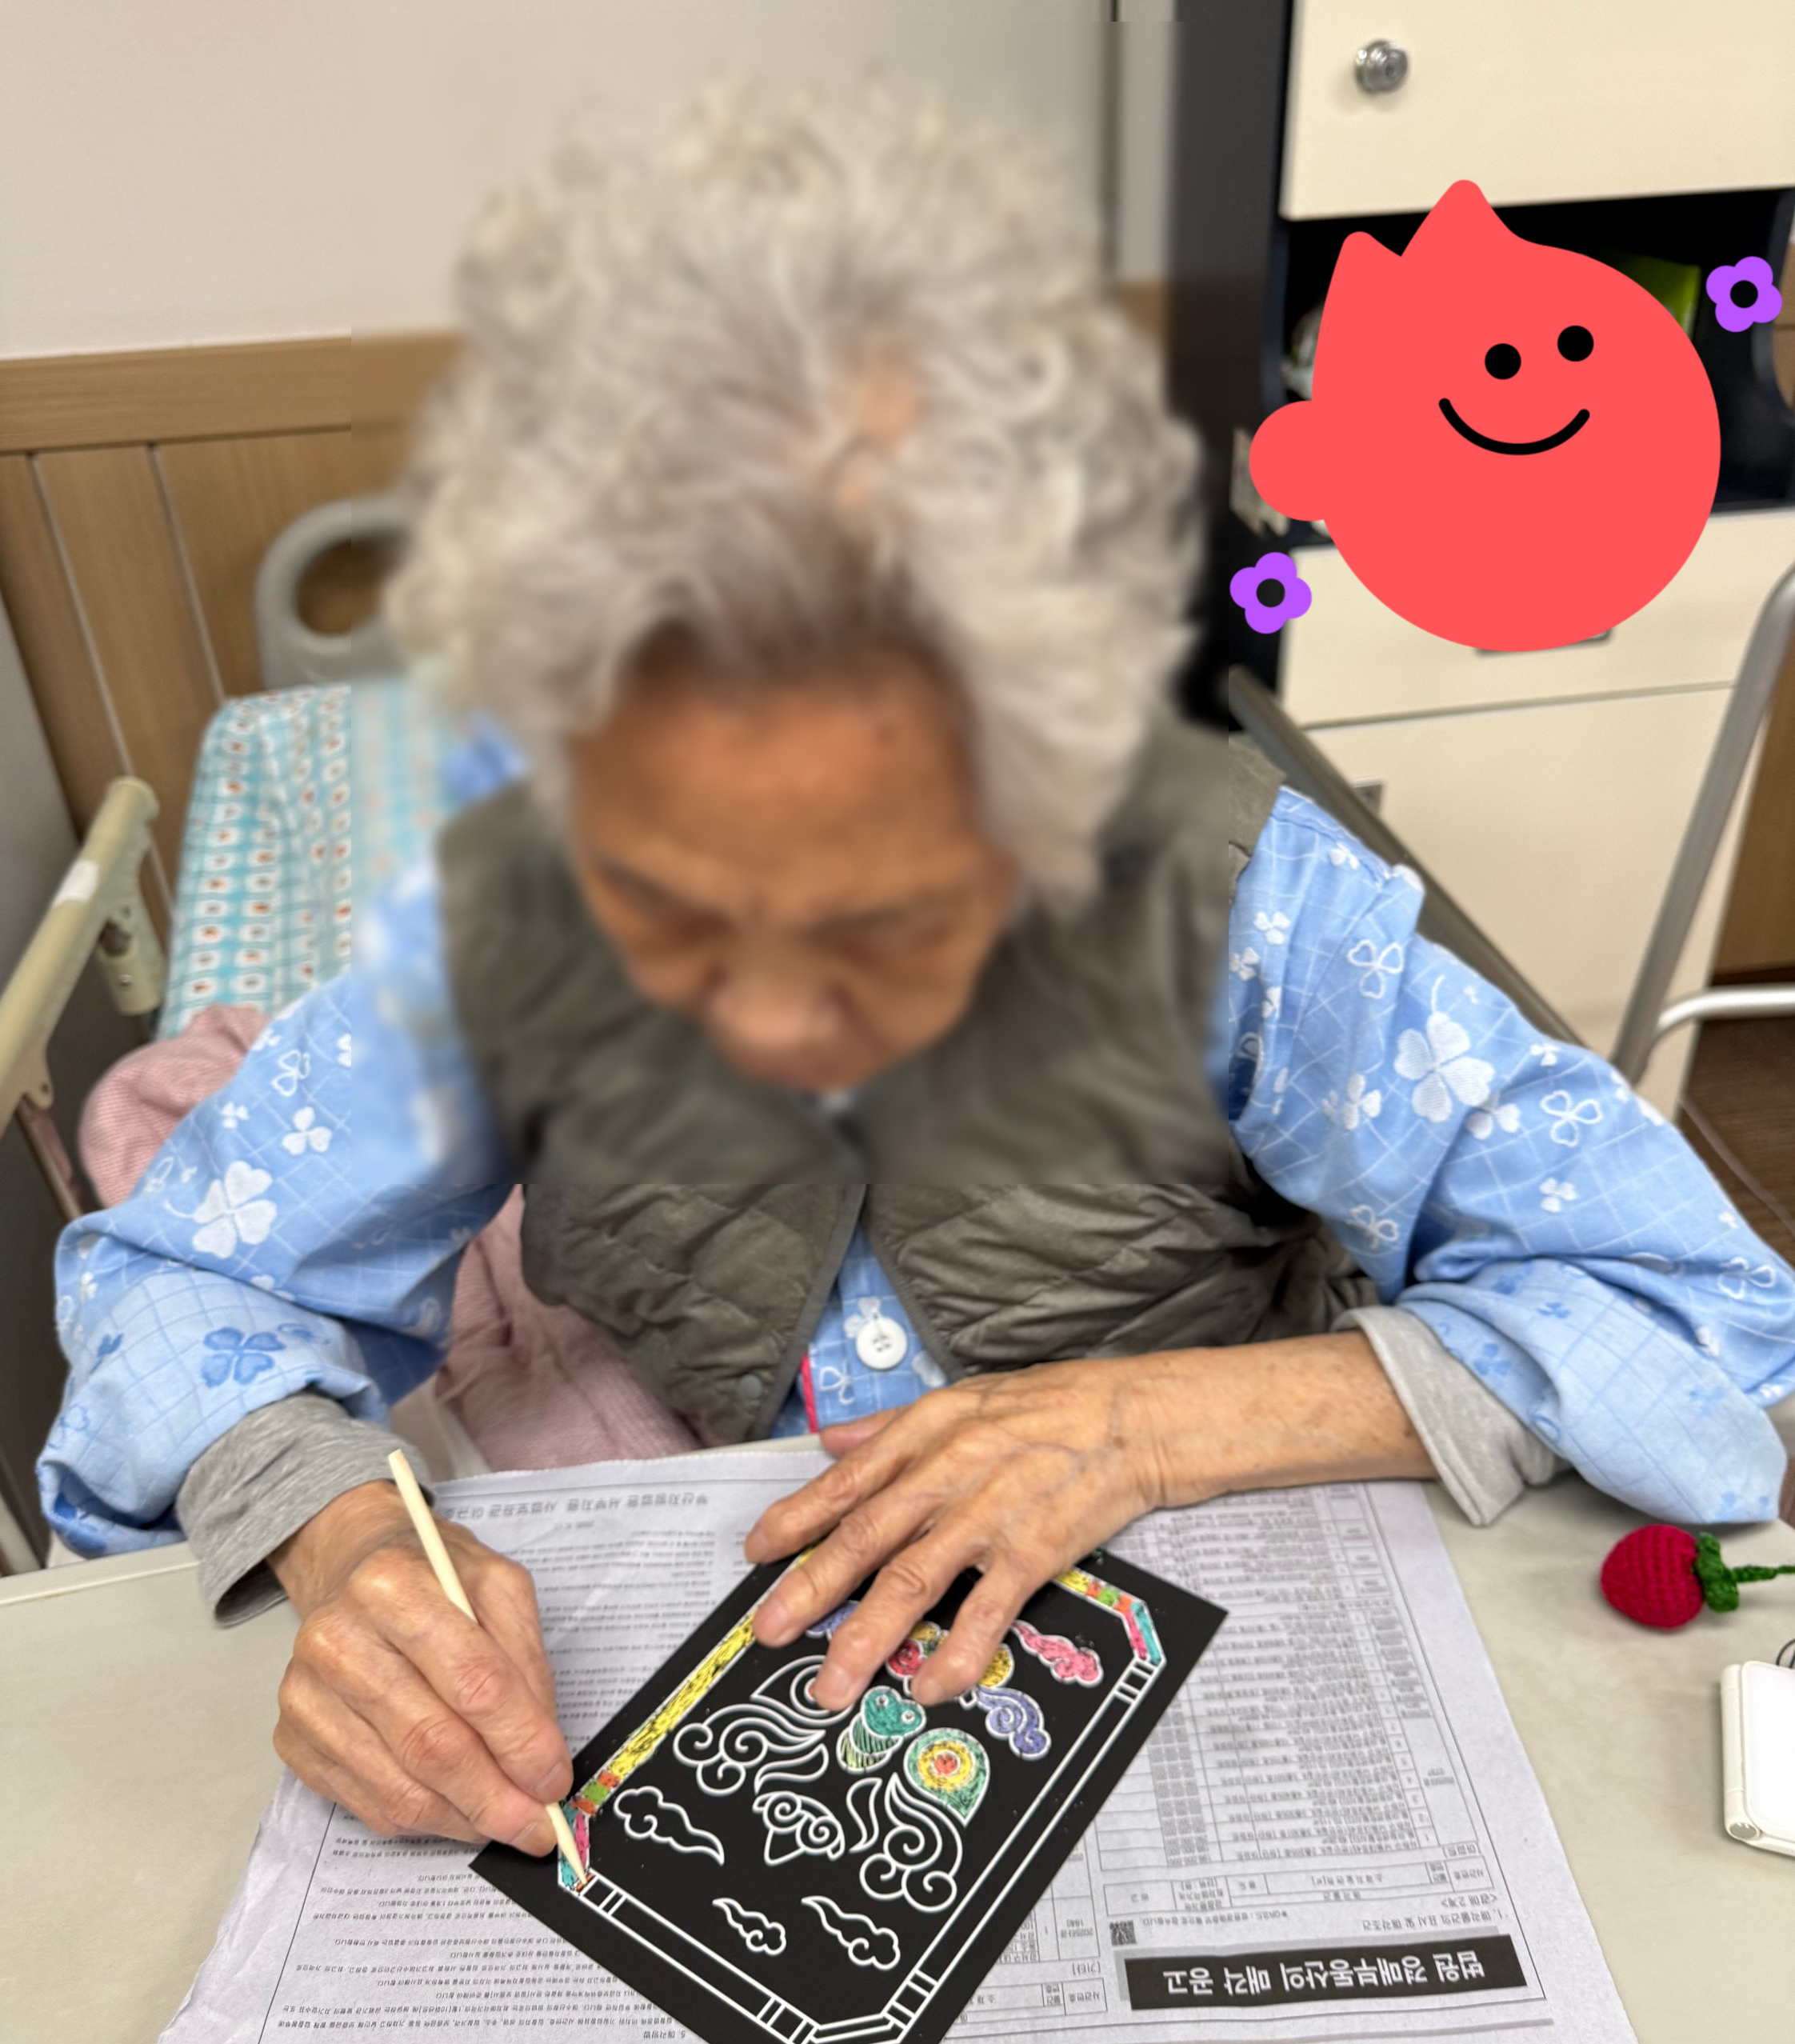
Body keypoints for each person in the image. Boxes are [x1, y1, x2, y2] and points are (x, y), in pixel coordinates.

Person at [41, 86, 1795, 1864]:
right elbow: (185, 1276)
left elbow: (1696, 1307)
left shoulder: (1246, 907)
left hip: (1202, 1577)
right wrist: (345, 1537)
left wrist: (1150, 1424)